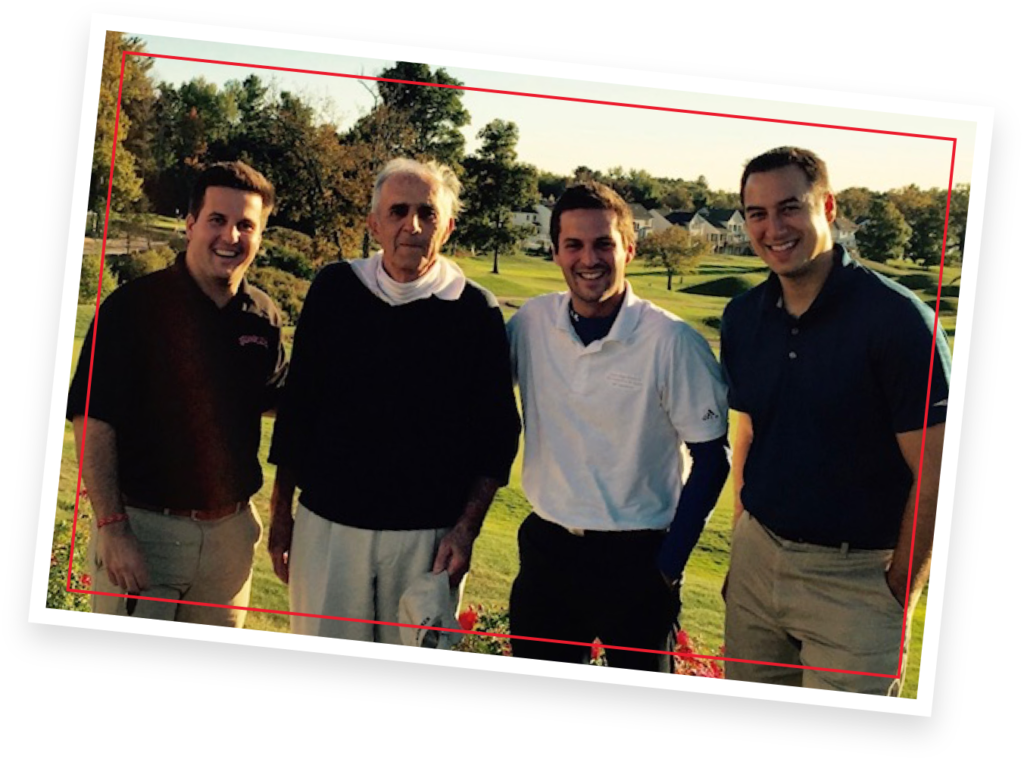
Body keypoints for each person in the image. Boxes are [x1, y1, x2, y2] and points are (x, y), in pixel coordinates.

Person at [720, 146, 951, 694]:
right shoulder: (743, 317)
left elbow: (937, 473)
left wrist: (900, 588)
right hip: (758, 561)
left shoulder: (898, 322)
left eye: (789, 207)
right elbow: (748, 437)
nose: (773, 227)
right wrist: (741, 543)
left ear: (828, 206)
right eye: (757, 213)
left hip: (857, 581)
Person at [268, 157, 520, 643]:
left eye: (427, 213)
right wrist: (282, 516)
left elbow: (497, 434)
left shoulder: (475, 311)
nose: (413, 225)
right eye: (398, 211)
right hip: (327, 528)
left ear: (447, 226)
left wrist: (466, 529)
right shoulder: (335, 289)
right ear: (374, 224)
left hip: (426, 539)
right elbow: (299, 411)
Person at [506, 182, 731, 671]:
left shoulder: (672, 341)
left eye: (604, 243)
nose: (590, 258)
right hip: (547, 549)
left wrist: (669, 566)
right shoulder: (530, 322)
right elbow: (473, 395)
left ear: (629, 247)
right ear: (556, 252)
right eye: (575, 245)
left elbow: (713, 459)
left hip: (639, 557)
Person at [67, 161, 287, 627]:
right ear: (190, 224)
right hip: (145, 533)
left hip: (229, 541)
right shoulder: (132, 309)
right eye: (217, 220)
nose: (231, 236)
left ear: (260, 236)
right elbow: (93, 418)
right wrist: (112, 527)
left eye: (246, 225)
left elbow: (276, 397)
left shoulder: (263, 318)